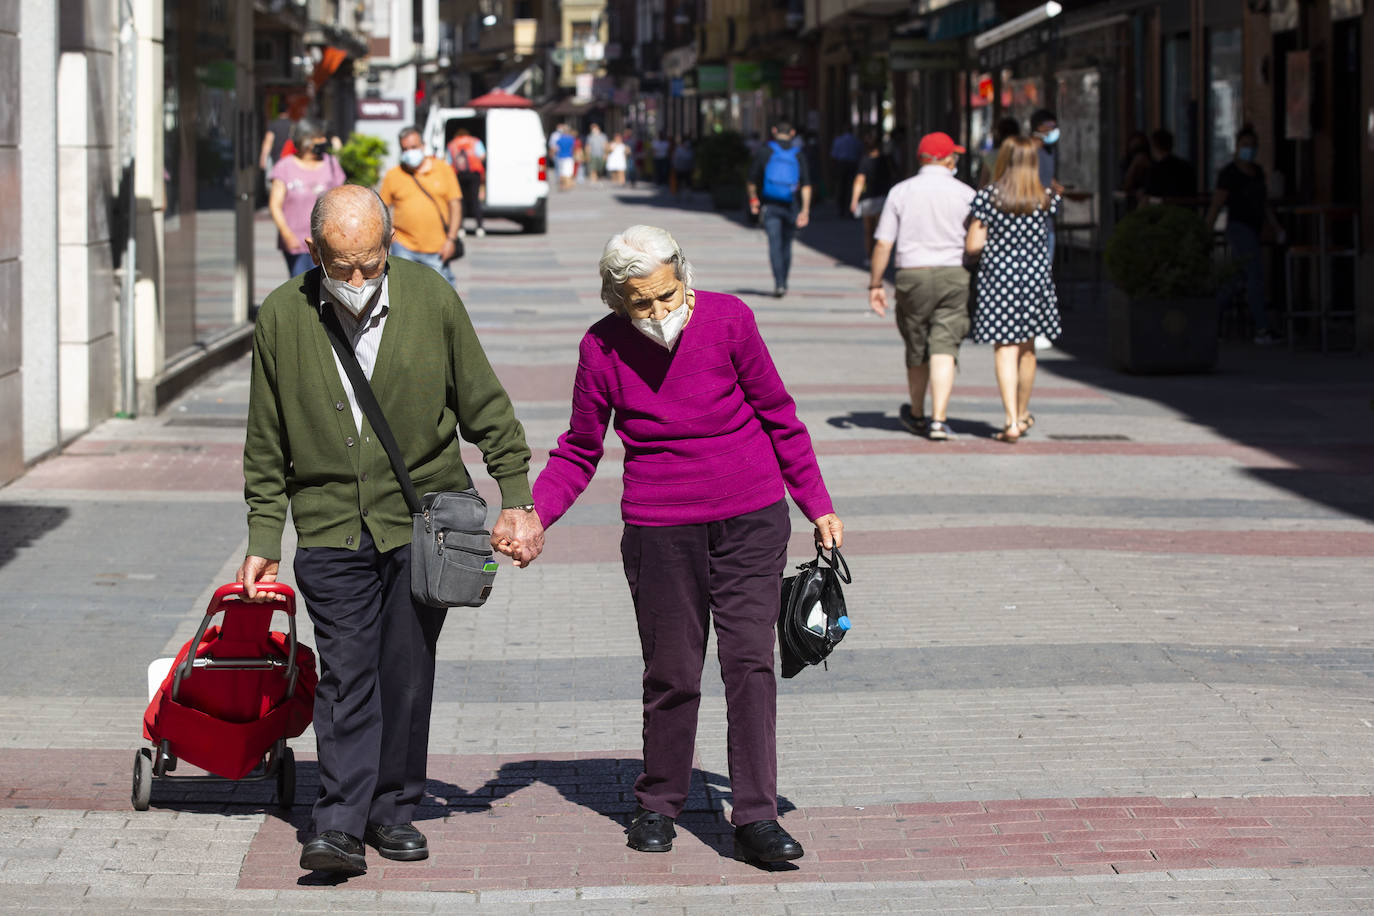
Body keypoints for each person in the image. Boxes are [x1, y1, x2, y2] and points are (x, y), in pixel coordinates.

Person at [238, 184, 544, 876]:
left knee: (404, 672)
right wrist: (263, 537)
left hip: (420, 522)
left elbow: (485, 405)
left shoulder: (431, 299)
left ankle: (392, 808)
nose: (356, 281)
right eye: (340, 265)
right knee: (347, 674)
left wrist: (516, 497)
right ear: (313, 252)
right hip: (330, 526)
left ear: (390, 247)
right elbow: (265, 439)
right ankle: (339, 824)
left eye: (371, 264)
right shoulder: (283, 317)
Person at [531, 224, 844, 866]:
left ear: (683, 275)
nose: (657, 314)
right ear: (616, 300)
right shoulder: (603, 347)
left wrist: (818, 503)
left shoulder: (729, 319)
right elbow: (579, 448)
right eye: (639, 303)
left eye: (667, 296)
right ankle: (659, 801)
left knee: (750, 665)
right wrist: (533, 515)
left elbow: (779, 415)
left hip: (752, 518)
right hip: (660, 527)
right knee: (672, 670)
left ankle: (755, 813)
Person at [868, 132, 975, 442]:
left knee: (917, 346)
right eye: (954, 155)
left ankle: (916, 412)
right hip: (954, 273)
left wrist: (875, 283)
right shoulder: (966, 193)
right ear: (946, 159)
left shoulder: (901, 192)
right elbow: (975, 240)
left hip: (911, 275)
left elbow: (884, 242)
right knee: (945, 344)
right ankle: (939, 420)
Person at [964, 136, 1063, 443]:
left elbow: (973, 244)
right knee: (1027, 348)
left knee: (1004, 348)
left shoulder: (989, 197)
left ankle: (1010, 421)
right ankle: (1021, 413)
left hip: (1000, 279)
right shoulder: (1046, 197)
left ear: (1004, 160)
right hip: (1035, 277)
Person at [1204, 125, 1285, 345]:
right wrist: (1205, 231)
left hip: (1254, 227)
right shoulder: (1229, 174)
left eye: (1252, 146)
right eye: (1244, 145)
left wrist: (1276, 228)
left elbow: (1264, 204)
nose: (1248, 149)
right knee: (1255, 276)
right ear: (1237, 147)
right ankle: (1261, 329)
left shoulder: (1258, 172)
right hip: (1238, 228)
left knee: (1236, 280)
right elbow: (1217, 204)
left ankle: (1208, 320)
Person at [378, 126, 463, 283]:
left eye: (414, 147)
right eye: (405, 149)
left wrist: (451, 239)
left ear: (423, 146)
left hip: (438, 248)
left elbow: (455, 206)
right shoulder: (394, 175)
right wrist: (390, 238)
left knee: (439, 296)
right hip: (403, 247)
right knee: (405, 295)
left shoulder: (443, 169)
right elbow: (381, 209)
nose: (409, 152)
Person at [268, 119, 345, 277]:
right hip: (296, 241)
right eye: (319, 137)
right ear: (306, 140)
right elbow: (275, 205)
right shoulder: (285, 167)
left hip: (327, 242)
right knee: (301, 288)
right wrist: (286, 234)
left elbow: (341, 198)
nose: (324, 141)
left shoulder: (331, 163)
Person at [748, 121, 812, 298]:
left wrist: (754, 200)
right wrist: (805, 210)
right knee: (787, 245)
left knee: (774, 245)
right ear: (792, 133)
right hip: (792, 206)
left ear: (774, 131)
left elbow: (752, 179)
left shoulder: (764, 152)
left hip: (770, 205)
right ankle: (784, 279)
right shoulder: (798, 155)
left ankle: (779, 284)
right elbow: (806, 184)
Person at [849, 129, 895, 268]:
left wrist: (854, 200)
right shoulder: (886, 160)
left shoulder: (865, 161)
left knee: (869, 231)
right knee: (882, 230)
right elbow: (895, 174)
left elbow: (859, 181)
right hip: (883, 198)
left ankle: (870, 256)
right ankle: (881, 256)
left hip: (868, 199)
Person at [446, 127, 487, 238]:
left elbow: (448, 161)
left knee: (461, 201)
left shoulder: (452, 144)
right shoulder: (475, 141)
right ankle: (480, 227)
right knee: (475, 200)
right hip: (474, 174)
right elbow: (482, 155)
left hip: (459, 175)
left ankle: (461, 228)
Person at [1143, 129, 1196, 201]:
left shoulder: (1156, 169)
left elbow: (1149, 195)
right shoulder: (1186, 166)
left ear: (1154, 146)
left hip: (1164, 210)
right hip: (1185, 210)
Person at [978, 117, 1020, 189]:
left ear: (999, 134)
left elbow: (983, 182)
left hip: (994, 196)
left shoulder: (991, 156)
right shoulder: (1023, 155)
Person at [830, 126, 861, 217]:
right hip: (852, 165)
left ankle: (841, 210)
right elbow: (860, 153)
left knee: (841, 187)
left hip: (841, 164)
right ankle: (850, 208)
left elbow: (834, 155)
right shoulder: (856, 141)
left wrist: (833, 168)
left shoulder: (838, 140)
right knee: (850, 187)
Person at [553, 124, 576, 191]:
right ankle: (567, 185)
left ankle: (562, 185)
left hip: (560, 157)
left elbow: (556, 148)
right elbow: (573, 148)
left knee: (562, 172)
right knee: (568, 172)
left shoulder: (560, 139)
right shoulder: (571, 139)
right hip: (569, 157)